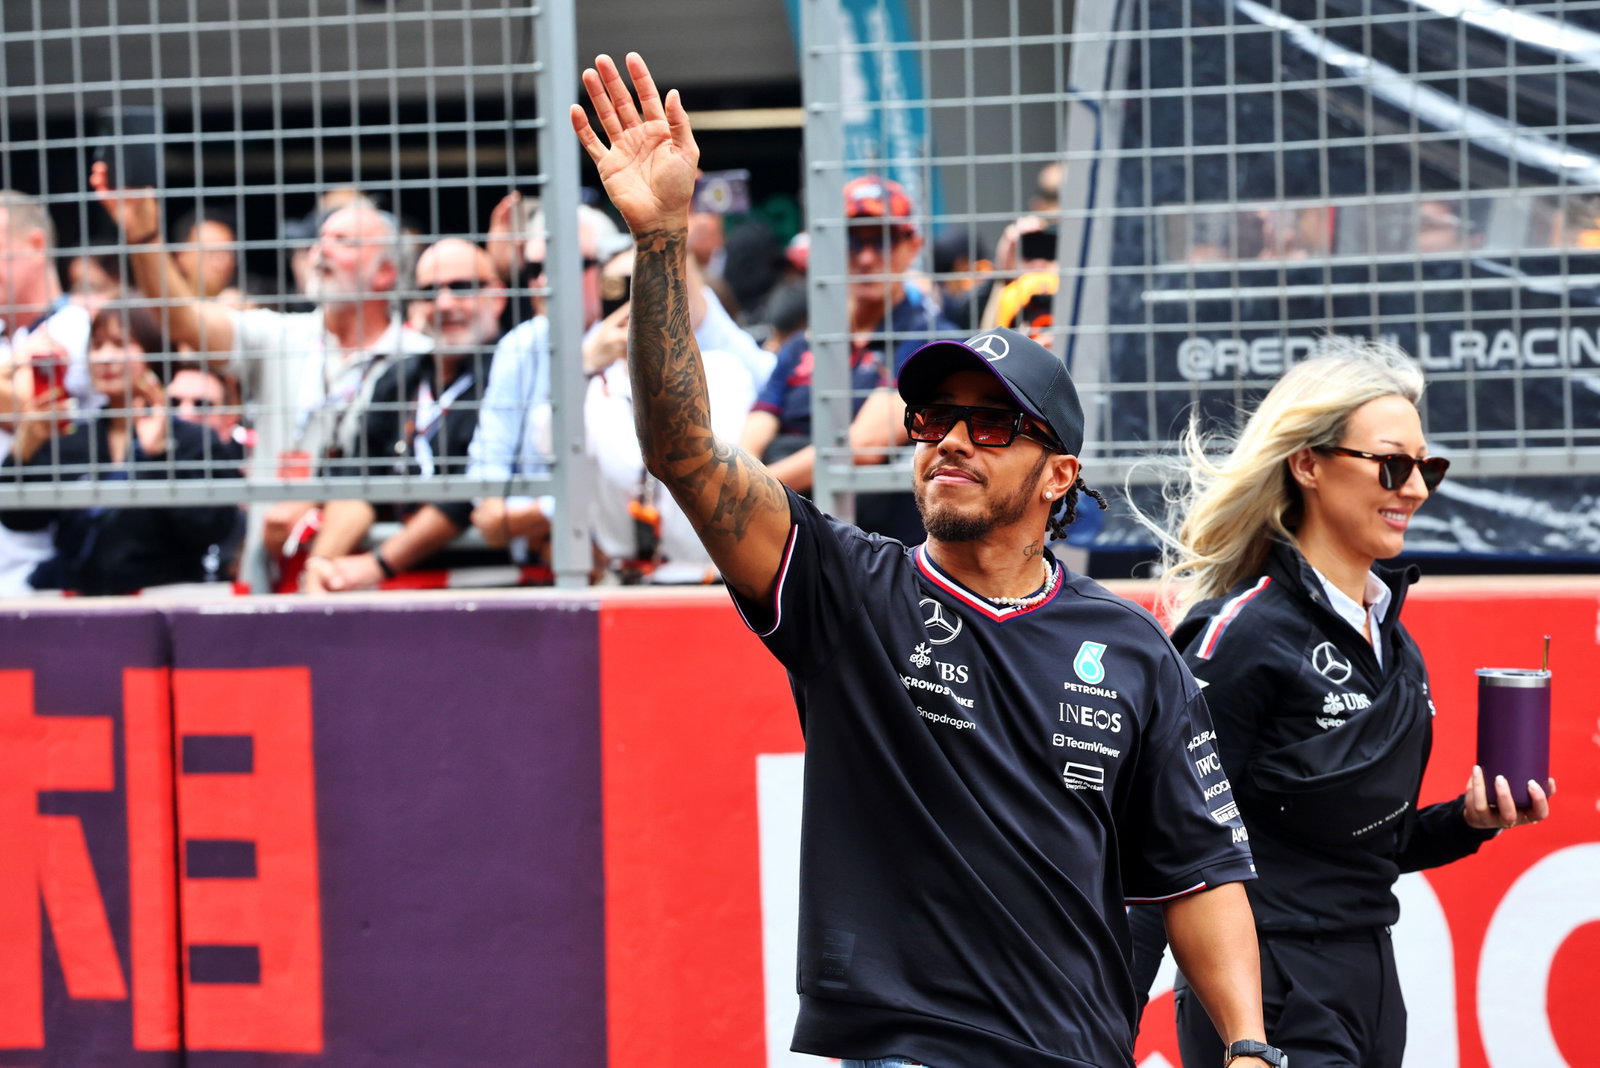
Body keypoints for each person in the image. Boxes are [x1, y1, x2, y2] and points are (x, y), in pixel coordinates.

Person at [572, 51, 1282, 1068]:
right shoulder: (850, 586)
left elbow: (1198, 874)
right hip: (905, 1047)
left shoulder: (1131, 648)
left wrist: (1250, 1047)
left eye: (992, 425)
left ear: (1056, 476)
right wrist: (658, 240)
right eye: (934, 417)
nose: (950, 438)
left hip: (1078, 1047)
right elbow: (684, 454)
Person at [1127, 341, 1555, 1067]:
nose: (1416, 488)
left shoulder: (1395, 643)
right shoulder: (1241, 634)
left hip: (1371, 988)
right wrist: (1125, 1021)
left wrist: (1470, 822)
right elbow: (1163, 841)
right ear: (1309, 464)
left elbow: (1365, 851)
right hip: (1266, 994)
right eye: (1393, 464)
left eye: (1428, 467)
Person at [738, 174, 955, 541]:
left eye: (883, 241)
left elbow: (865, 446)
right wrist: (741, 480)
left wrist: (752, 491)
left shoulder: (932, 340)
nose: (867, 257)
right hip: (783, 530)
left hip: (875, 544)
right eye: (853, 242)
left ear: (911, 246)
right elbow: (753, 432)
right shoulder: (805, 342)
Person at [301, 238, 508, 593]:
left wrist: (377, 564)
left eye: (462, 287)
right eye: (428, 292)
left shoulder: (512, 373)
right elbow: (359, 476)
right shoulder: (399, 377)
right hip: (395, 584)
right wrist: (319, 569)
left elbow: (469, 492)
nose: (443, 304)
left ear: (498, 296)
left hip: (491, 584)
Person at [0, 305, 242, 594]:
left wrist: (159, 458)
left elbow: (211, 528)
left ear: (155, 349)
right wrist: (25, 448)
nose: (105, 358)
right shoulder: (74, 438)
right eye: (97, 345)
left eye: (121, 343)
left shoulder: (192, 440)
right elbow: (20, 519)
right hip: (81, 607)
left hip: (169, 603)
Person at [582, 245, 755, 584]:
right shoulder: (592, 386)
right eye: (618, 291)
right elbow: (549, 447)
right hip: (627, 582)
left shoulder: (724, 371)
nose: (635, 306)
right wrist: (587, 365)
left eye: (646, 287)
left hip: (716, 579)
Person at [0, 190, 98, 595]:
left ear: (35, 246)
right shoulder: (11, 337)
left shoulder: (74, 324)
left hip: (35, 568)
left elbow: (21, 404)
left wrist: (14, 376)